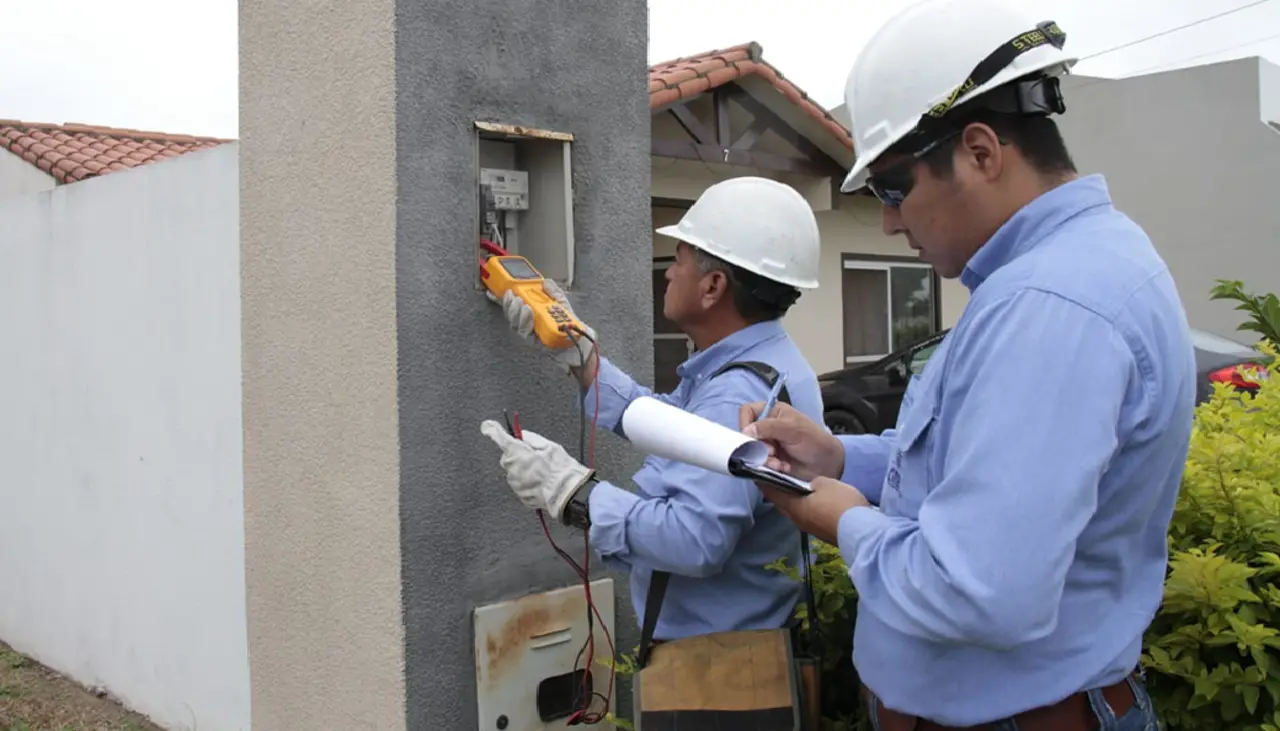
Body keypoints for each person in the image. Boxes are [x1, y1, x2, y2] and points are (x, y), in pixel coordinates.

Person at [738, 1, 1196, 729]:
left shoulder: (1050, 303)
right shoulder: (1065, 271)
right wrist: (838, 457)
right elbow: (969, 467)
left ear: (981, 151)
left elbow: (977, 587)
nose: (889, 220)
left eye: (893, 187)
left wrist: (844, 519)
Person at [479, 176, 828, 643]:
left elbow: (694, 539)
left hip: (714, 674)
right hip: (749, 648)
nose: (667, 272)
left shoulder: (734, 394)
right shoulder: (770, 364)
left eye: (678, 259)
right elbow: (670, 425)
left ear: (713, 286)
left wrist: (572, 493)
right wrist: (582, 357)